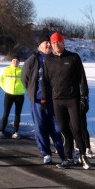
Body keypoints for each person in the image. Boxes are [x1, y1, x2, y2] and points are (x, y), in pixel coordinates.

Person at [43, 32, 92, 169]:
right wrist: (44, 100)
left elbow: (82, 79)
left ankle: (83, 155)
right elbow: (45, 82)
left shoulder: (73, 57)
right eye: (53, 43)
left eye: (58, 42)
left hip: (73, 99)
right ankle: (68, 157)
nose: (56, 45)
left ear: (63, 43)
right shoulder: (48, 60)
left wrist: (84, 97)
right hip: (57, 100)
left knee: (76, 128)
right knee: (64, 129)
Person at [22, 33, 66, 165]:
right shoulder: (33, 59)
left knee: (58, 127)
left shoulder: (55, 58)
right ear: (39, 45)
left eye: (49, 42)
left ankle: (62, 151)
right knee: (41, 127)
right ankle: (46, 153)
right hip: (38, 100)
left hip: (55, 99)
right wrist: (33, 91)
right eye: (45, 42)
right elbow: (25, 78)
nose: (48, 45)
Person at [0, 58, 25, 139]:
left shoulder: (22, 70)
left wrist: (24, 88)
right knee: (6, 113)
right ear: (11, 61)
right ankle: (1, 131)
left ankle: (15, 132)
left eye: (17, 61)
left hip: (19, 94)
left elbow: (27, 80)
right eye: (13, 60)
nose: (15, 62)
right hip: (9, 94)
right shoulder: (6, 69)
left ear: (19, 62)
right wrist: (5, 88)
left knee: (17, 114)